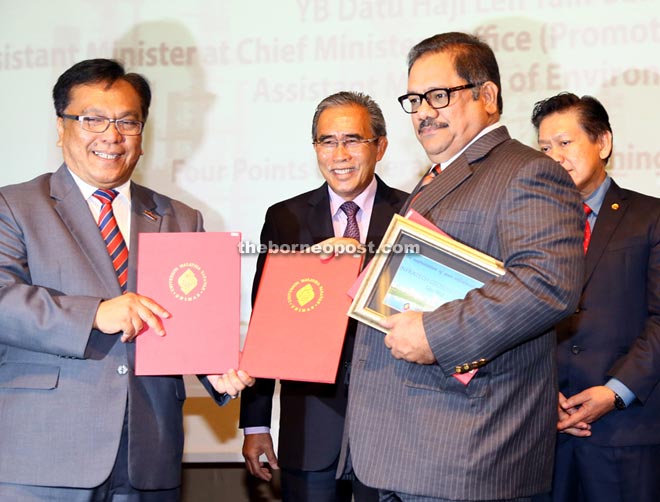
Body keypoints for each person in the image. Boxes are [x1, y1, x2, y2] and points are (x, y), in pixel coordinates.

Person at [337, 32, 585, 501]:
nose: (423, 112)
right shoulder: (442, 175)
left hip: (467, 455)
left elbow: (547, 284)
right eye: (414, 99)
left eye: (438, 95)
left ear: (487, 96)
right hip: (410, 452)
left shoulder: (526, 171)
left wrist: (437, 334)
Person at [0, 58, 254, 501]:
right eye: (91, 119)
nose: (111, 135)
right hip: (45, 457)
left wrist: (214, 365)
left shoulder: (179, 216)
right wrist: (96, 314)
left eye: (127, 122)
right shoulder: (15, 206)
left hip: (148, 454)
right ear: (61, 128)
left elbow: (185, 319)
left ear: (142, 134)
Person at [239, 91, 408, 502]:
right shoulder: (285, 217)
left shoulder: (412, 213)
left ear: (380, 146)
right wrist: (256, 423)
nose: (340, 154)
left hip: (393, 422)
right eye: (327, 141)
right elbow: (267, 320)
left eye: (353, 140)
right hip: (310, 423)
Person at [530, 92, 660, 502]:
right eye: (544, 149)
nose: (555, 158)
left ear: (602, 143)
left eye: (565, 143)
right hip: (546, 434)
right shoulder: (530, 228)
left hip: (626, 431)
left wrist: (614, 391)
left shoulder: (650, 217)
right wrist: (539, 396)